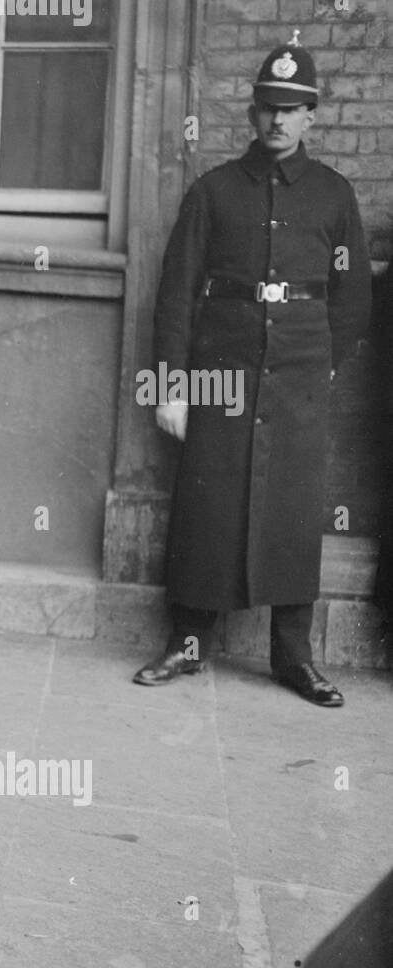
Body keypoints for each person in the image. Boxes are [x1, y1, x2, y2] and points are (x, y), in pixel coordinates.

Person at [133, 33, 371, 707]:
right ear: (252, 112)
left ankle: (293, 656)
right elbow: (176, 293)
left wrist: (323, 364)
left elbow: (352, 299)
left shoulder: (333, 196)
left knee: (293, 512)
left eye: (292, 109)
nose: (277, 119)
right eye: (268, 106)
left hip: (298, 377)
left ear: (312, 116)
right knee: (207, 504)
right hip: (221, 375)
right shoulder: (213, 193)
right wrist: (171, 385)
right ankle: (186, 642)